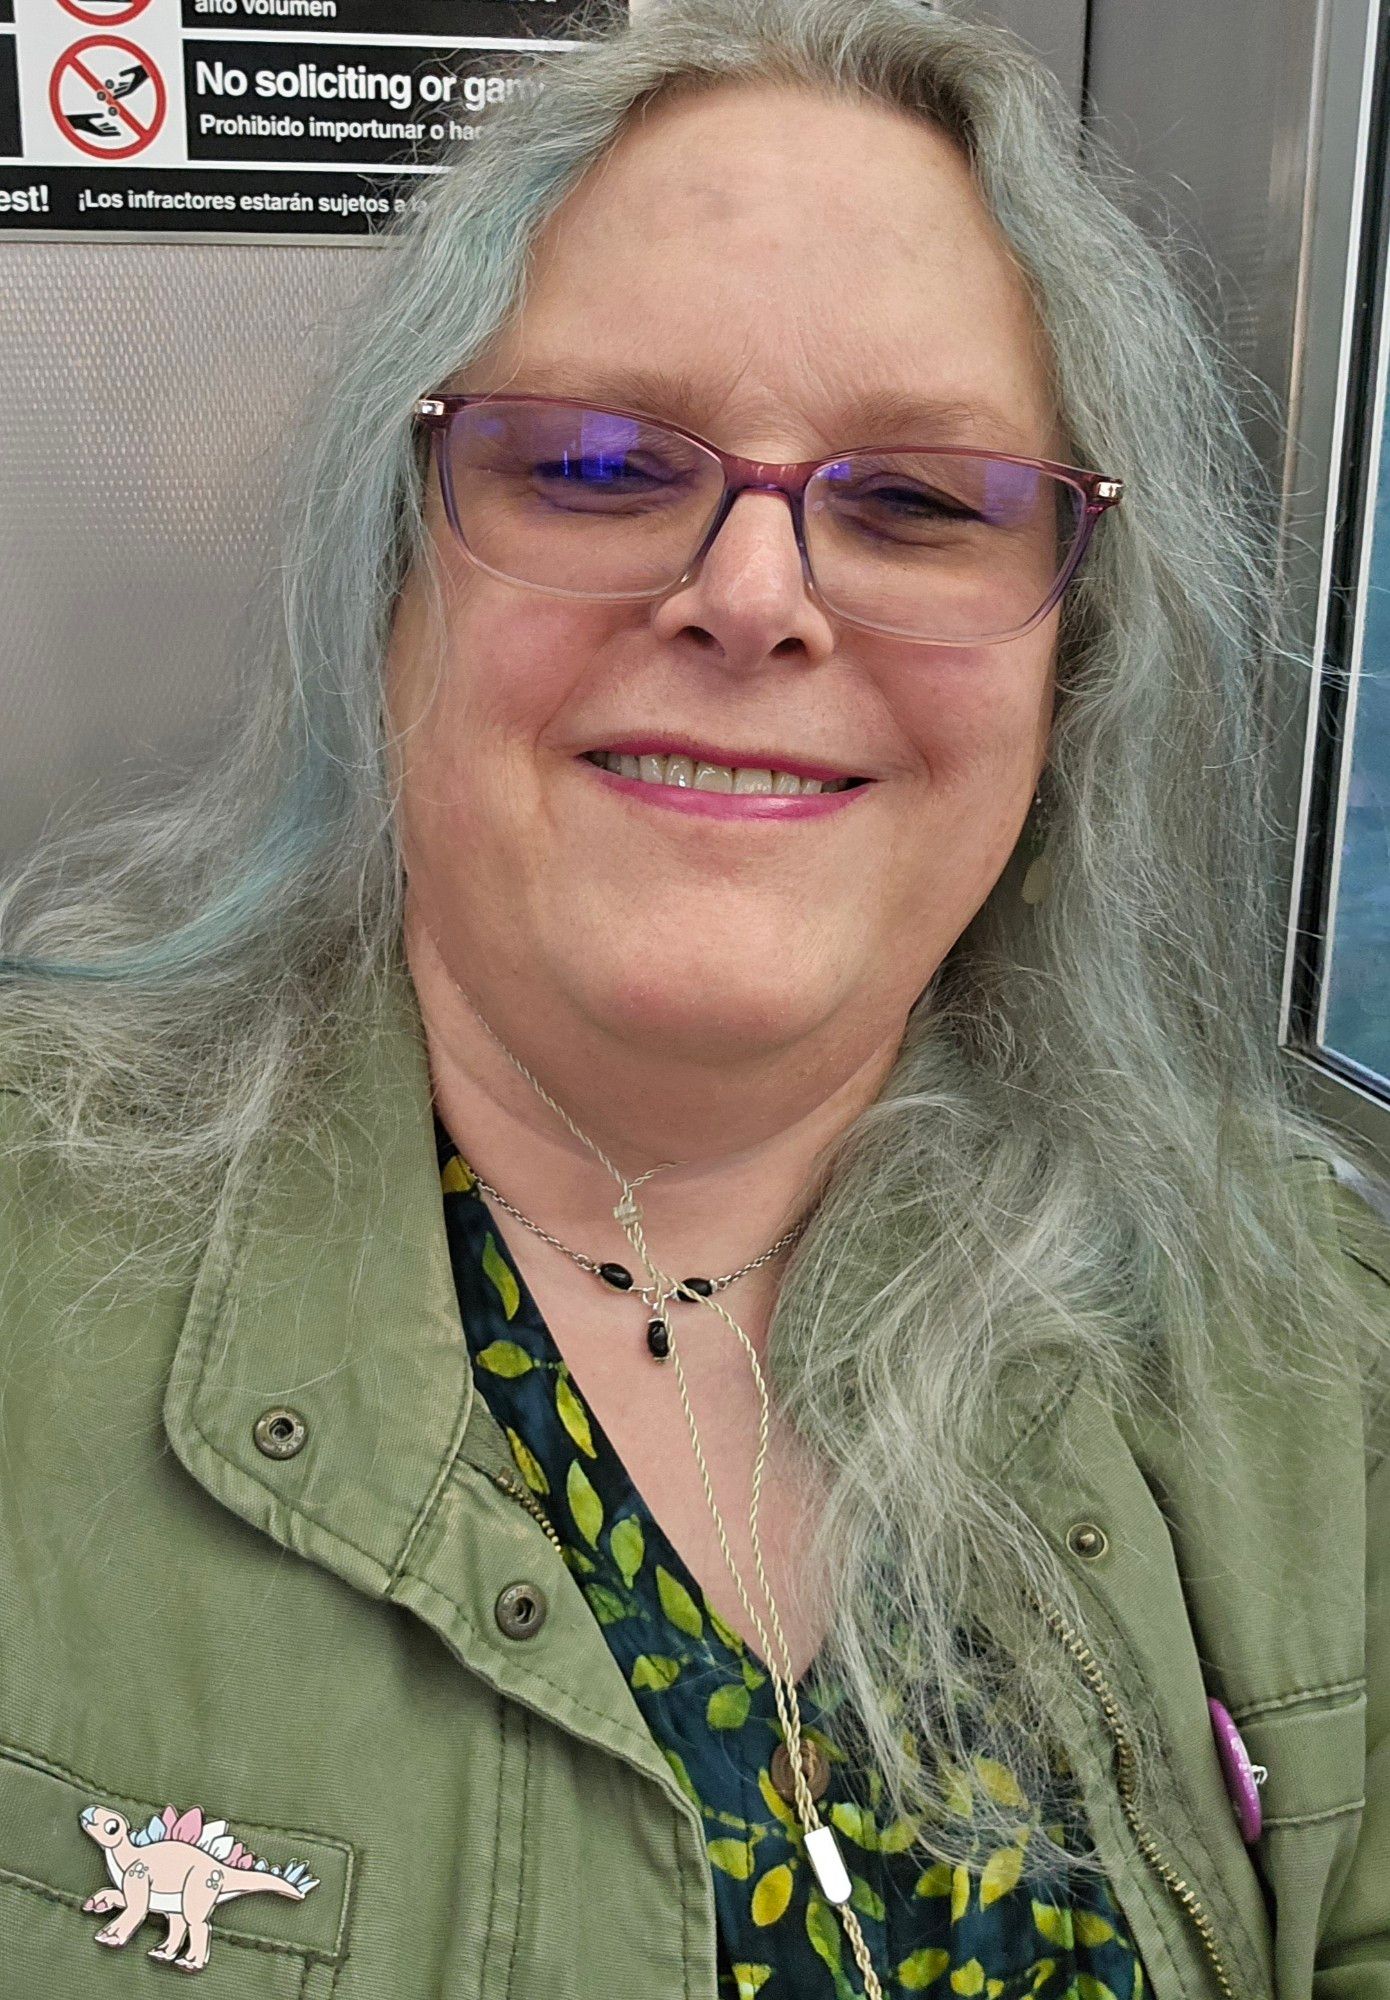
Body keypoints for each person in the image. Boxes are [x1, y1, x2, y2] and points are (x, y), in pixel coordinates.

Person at [1, 0, 1387, 1994]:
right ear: (391, 581)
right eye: (586, 464)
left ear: (1072, 670)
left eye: (917, 501)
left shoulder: (1311, 1368)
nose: (751, 595)